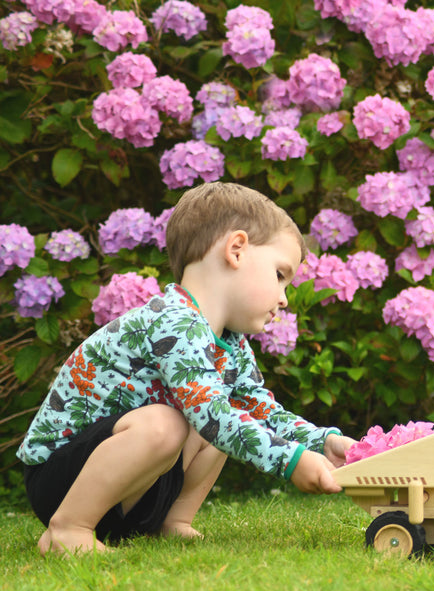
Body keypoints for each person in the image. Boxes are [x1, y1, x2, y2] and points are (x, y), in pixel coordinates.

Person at [17, 182, 355, 555]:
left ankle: (172, 521)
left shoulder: (230, 341)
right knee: (174, 422)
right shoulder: (175, 322)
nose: (284, 298)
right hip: (63, 484)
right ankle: (69, 529)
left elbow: (261, 409)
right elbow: (212, 414)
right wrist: (289, 462)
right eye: (279, 274)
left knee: (229, 413)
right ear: (236, 250)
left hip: (132, 491)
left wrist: (321, 442)